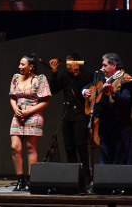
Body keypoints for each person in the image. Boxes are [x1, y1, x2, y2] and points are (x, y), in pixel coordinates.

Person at [82, 53, 132, 164]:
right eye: (102, 65)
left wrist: (113, 92)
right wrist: (85, 91)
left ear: (113, 65)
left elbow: (126, 100)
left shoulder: (125, 79)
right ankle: (104, 180)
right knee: (105, 157)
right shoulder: (100, 78)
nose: (102, 68)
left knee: (119, 159)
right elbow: (88, 86)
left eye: (105, 66)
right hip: (105, 125)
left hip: (120, 126)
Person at [49, 53, 93, 185]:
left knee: (81, 146)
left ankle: (87, 176)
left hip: (80, 113)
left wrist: (76, 74)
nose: (69, 67)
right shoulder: (64, 75)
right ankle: (74, 176)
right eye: (67, 65)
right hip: (67, 114)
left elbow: (83, 91)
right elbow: (54, 89)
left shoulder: (86, 75)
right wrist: (54, 73)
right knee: (69, 147)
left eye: (71, 64)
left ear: (76, 63)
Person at [9, 54, 51, 191]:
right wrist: (15, 108)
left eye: (22, 64)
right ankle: (20, 180)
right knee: (15, 147)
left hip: (33, 115)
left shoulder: (40, 79)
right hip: (18, 115)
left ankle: (31, 179)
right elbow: (12, 98)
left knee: (30, 147)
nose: (19, 67)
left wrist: (29, 111)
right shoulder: (15, 78)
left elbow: (45, 101)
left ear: (31, 66)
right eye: (19, 64)